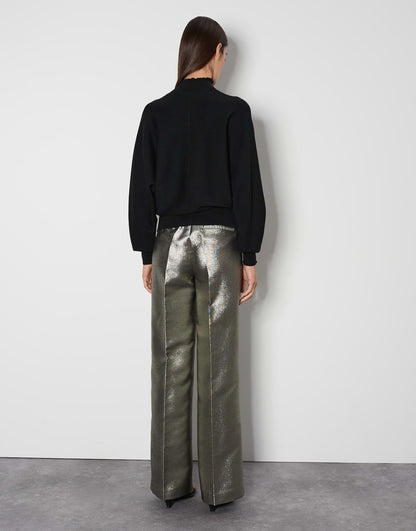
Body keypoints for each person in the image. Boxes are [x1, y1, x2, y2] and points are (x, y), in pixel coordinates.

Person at [128, 16, 266, 512]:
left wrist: (145, 251)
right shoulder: (233, 111)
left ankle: (170, 484)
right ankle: (219, 489)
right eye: (225, 55)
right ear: (217, 51)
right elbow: (247, 185)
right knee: (218, 366)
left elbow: (140, 184)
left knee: (169, 362)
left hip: (168, 246)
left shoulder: (156, 112)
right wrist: (248, 254)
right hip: (219, 246)